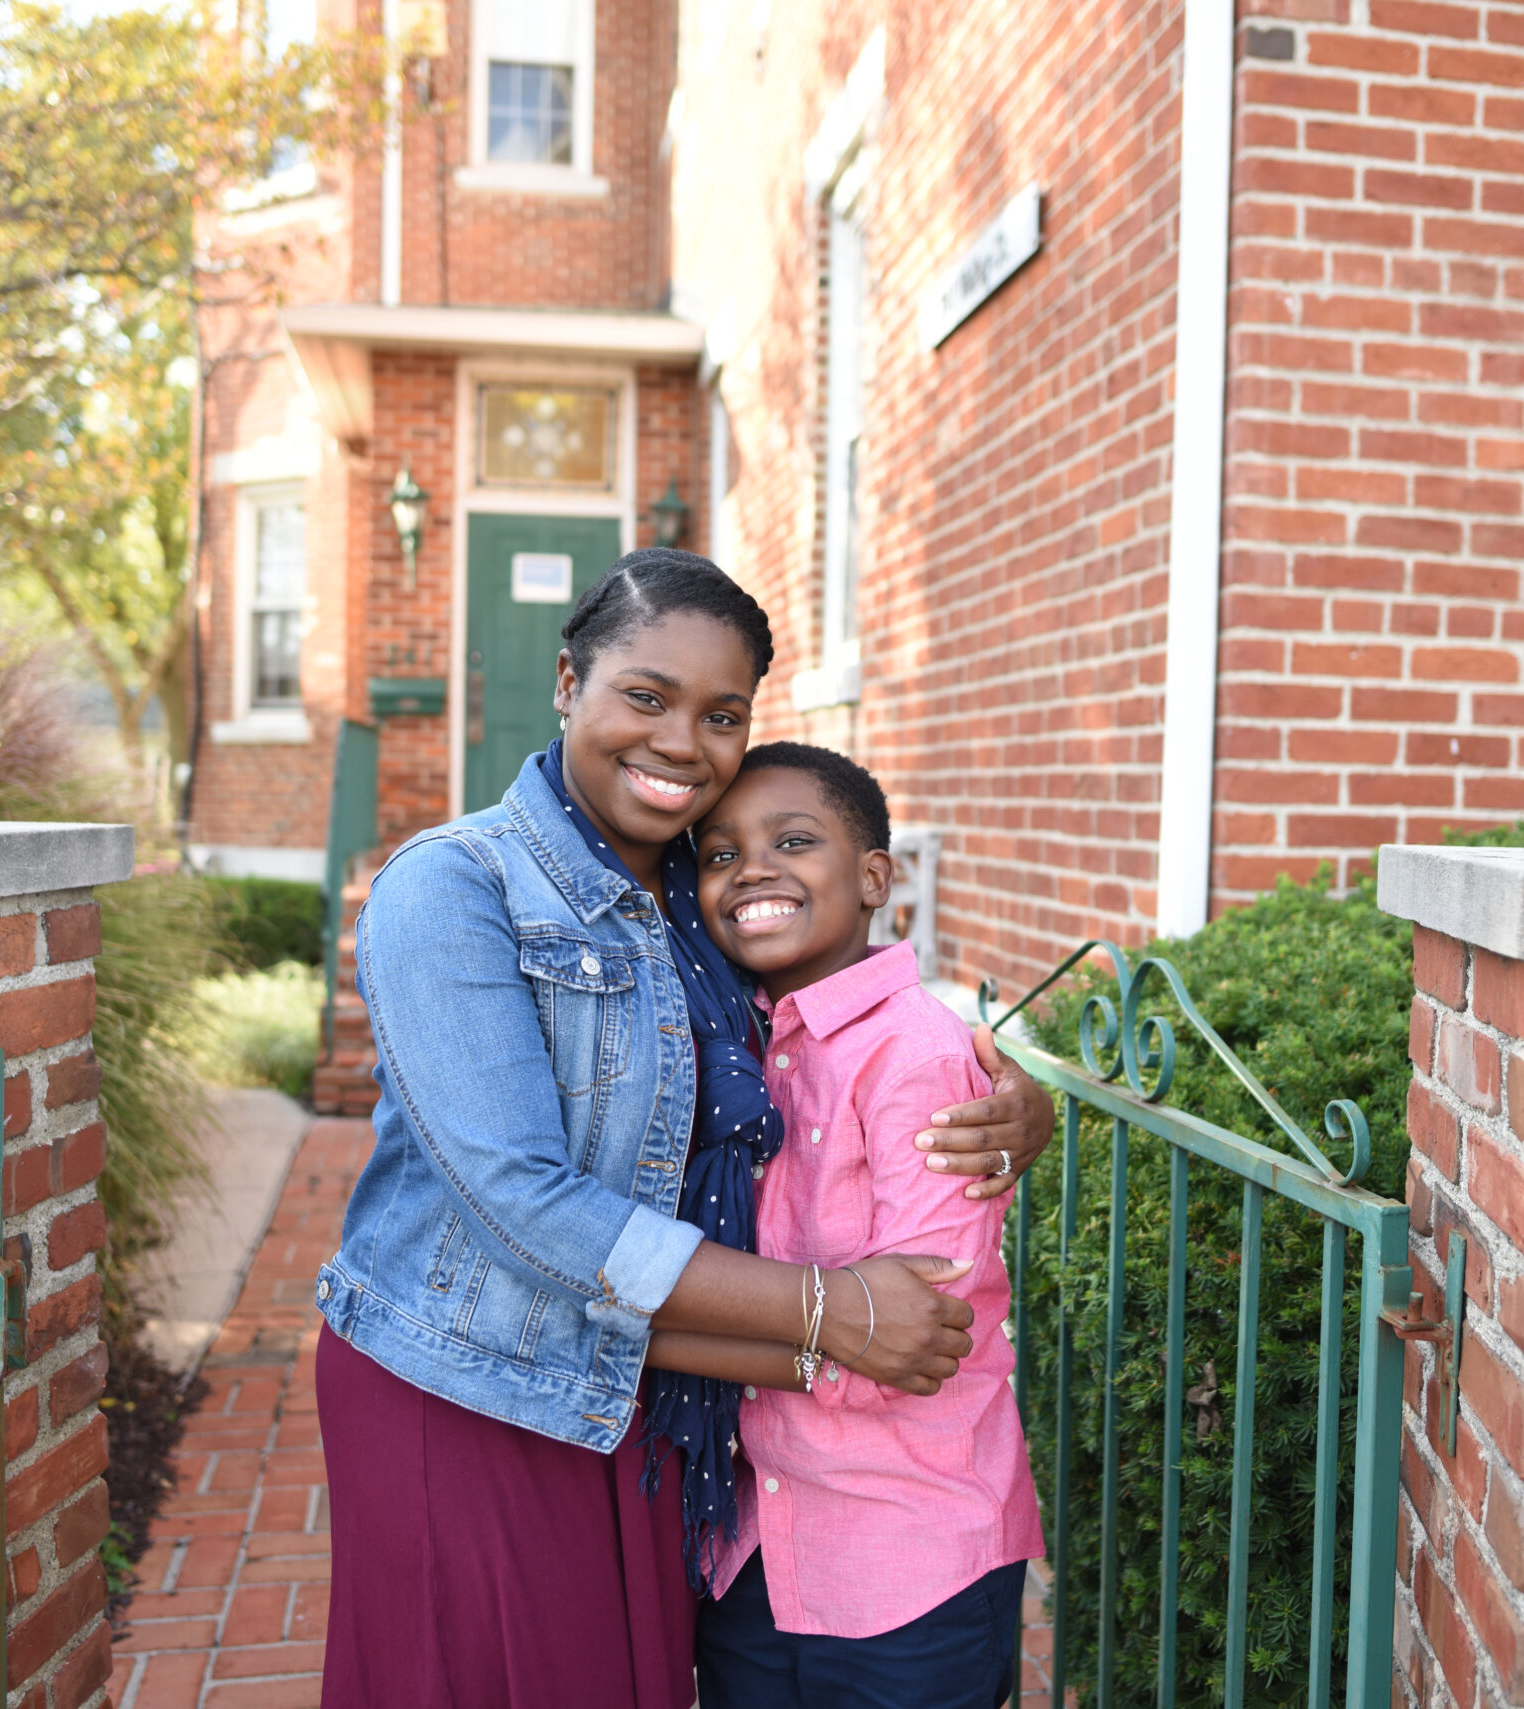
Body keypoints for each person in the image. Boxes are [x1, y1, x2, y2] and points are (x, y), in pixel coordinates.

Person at [312, 549, 1054, 1709]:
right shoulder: (453, 886)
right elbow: (517, 1197)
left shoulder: (701, 905)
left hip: (657, 1400)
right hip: (472, 1384)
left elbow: (842, 1038)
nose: (679, 742)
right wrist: (834, 1315)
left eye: (721, 714)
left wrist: (1016, 1102)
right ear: (567, 682)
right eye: (644, 697)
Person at [651, 743, 1043, 1709]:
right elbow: (854, 1323)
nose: (751, 870)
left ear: (875, 877)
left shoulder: (915, 1053)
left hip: (910, 1550)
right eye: (719, 853)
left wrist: (655, 1339)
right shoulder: (731, 1037)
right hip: (755, 1544)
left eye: (794, 840)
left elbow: (915, 1331)